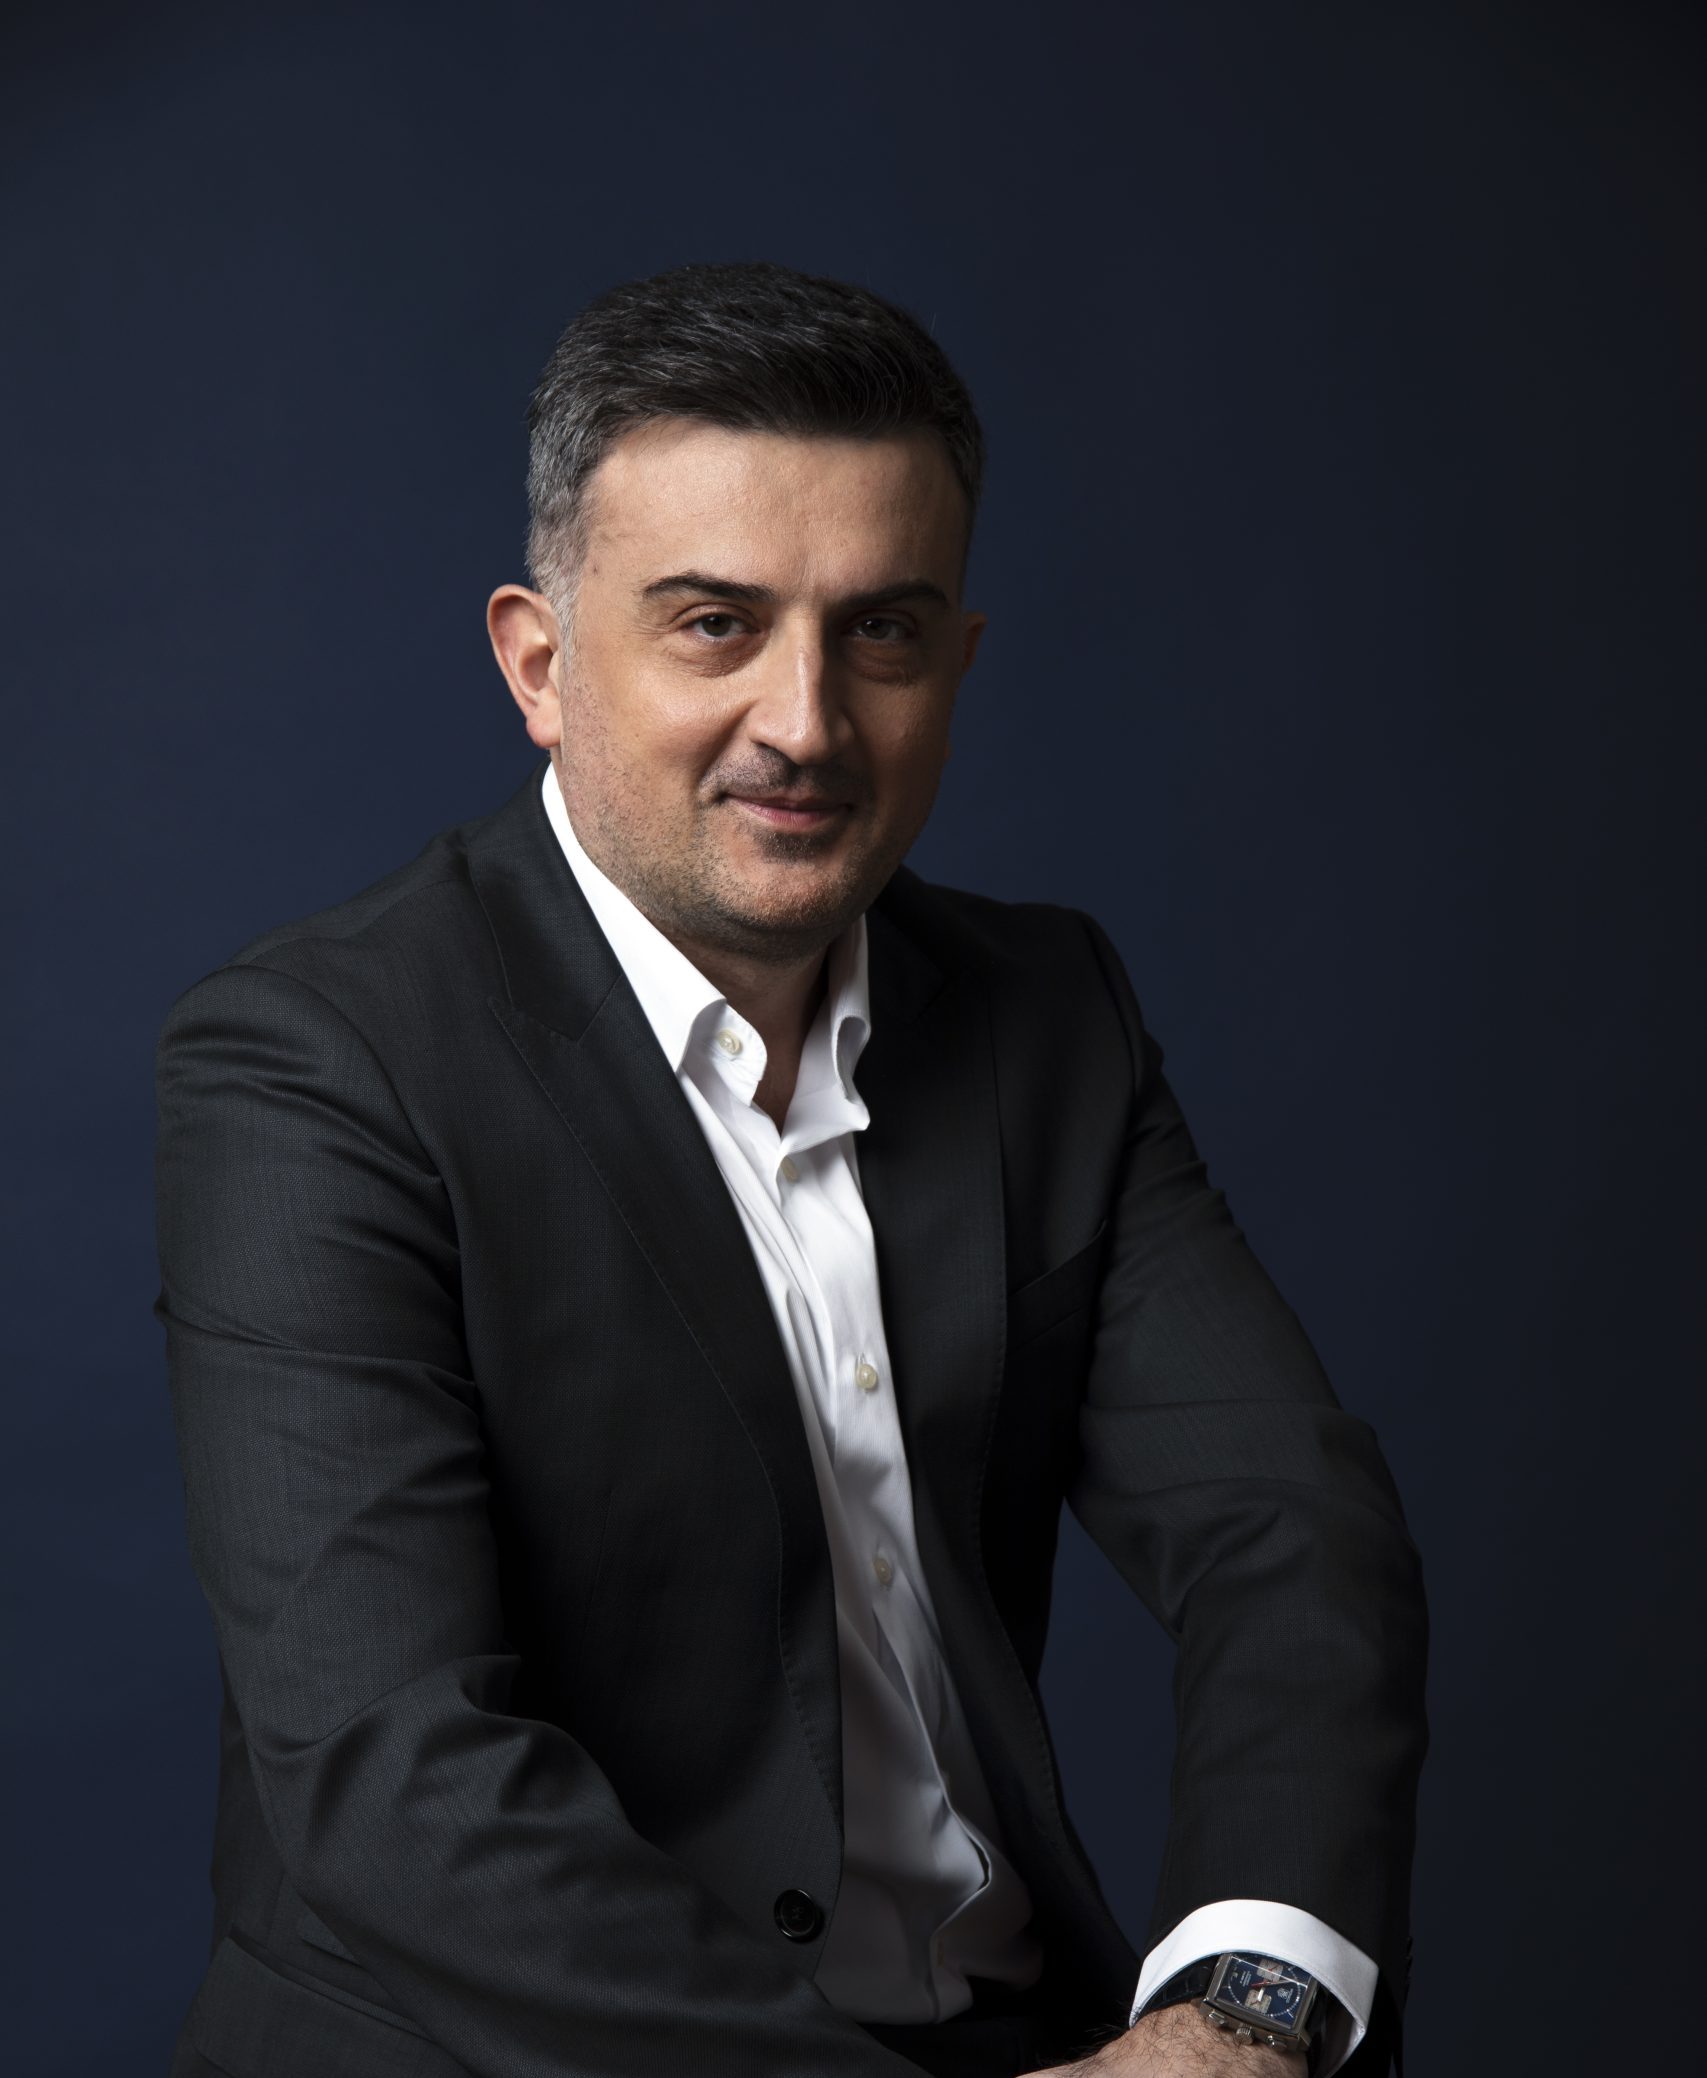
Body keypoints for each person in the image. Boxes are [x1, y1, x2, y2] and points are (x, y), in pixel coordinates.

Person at [154, 260, 1428, 2078]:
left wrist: (1247, 2014)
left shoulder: (1048, 1015)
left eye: (880, 632)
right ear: (538, 663)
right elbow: (396, 1779)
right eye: (714, 625)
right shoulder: (316, 1064)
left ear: (957, 664)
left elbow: (1291, 1530)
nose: (809, 722)